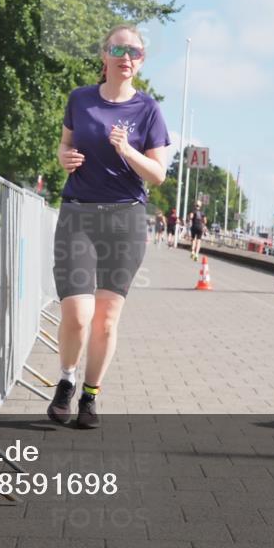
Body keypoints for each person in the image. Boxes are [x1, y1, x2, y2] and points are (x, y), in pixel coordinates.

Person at [50, 24, 170, 429]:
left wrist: (126, 149)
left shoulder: (148, 110)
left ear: (141, 60)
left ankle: (90, 395)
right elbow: (65, 144)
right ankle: (66, 379)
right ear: (104, 55)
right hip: (78, 214)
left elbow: (157, 174)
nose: (126, 57)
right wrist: (64, 158)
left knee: (105, 319)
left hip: (125, 220)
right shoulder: (80, 100)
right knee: (78, 314)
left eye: (134, 52)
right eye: (118, 49)